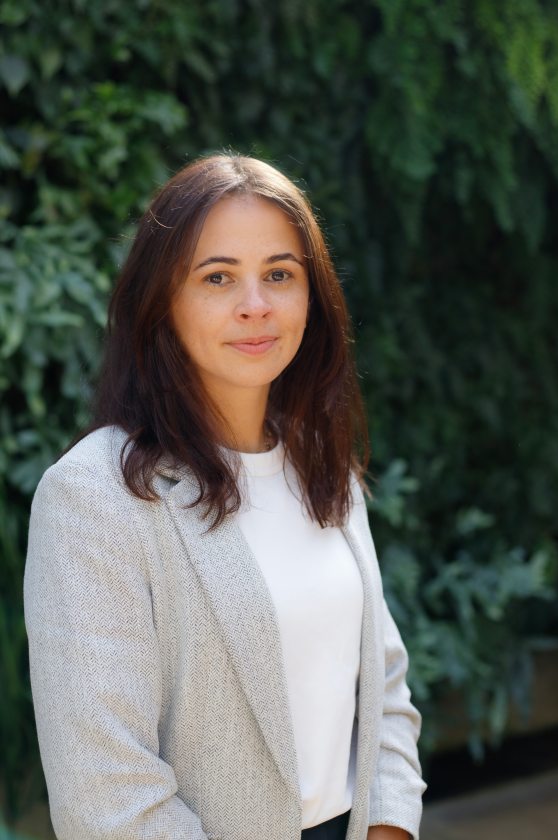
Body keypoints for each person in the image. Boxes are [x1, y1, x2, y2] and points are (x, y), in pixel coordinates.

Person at [24, 153, 426, 840]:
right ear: (162, 302)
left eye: (279, 274)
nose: (256, 305)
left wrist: (390, 829)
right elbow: (106, 795)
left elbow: (383, 686)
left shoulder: (321, 464)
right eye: (217, 277)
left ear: (313, 297)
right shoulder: (93, 498)